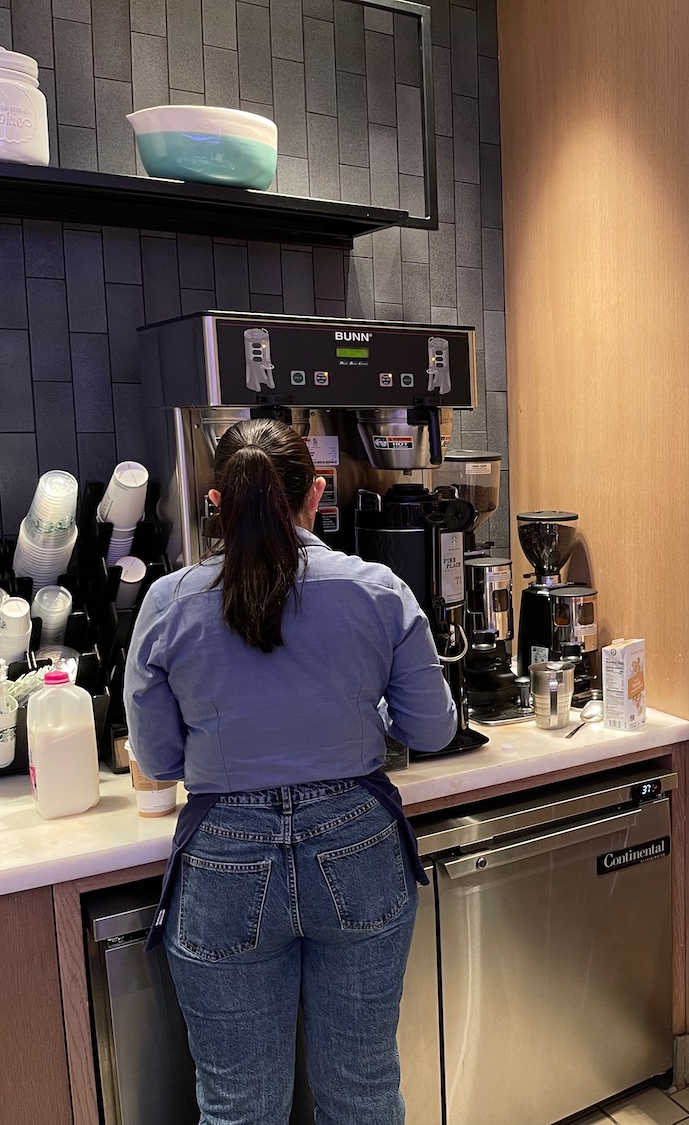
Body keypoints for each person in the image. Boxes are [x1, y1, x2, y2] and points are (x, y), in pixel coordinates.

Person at [125, 418, 457, 1125]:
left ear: (217, 502)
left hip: (223, 862)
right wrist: (358, 714)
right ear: (319, 492)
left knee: (240, 1110)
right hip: (359, 849)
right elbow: (433, 727)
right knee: (363, 1093)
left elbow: (156, 761)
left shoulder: (166, 602)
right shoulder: (377, 589)